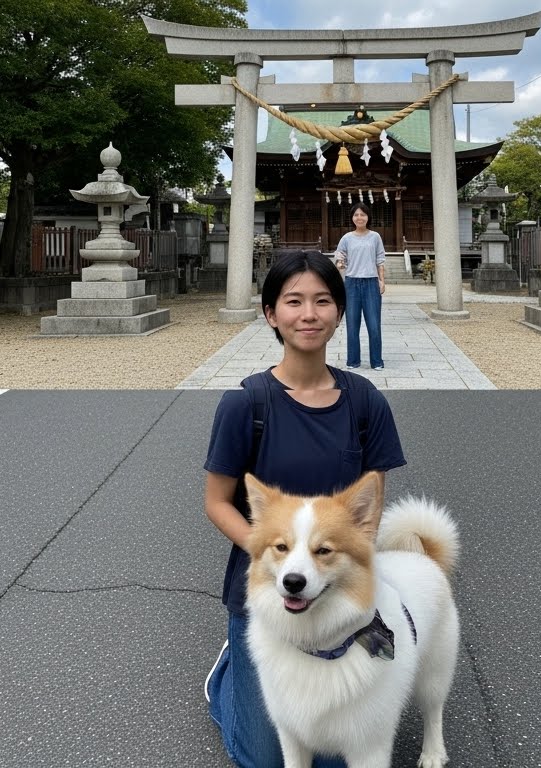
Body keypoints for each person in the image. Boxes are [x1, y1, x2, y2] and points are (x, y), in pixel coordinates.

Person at [202, 250, 406, 768]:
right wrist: (278, 555)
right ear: (270, 313)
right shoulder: (246, 405)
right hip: (271, 589)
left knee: (339, 756)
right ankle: (230, 675)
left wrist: (339, 567)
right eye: (293, 301)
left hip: (337, 587)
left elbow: (367, 511)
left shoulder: (365, 403)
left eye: (322, 301)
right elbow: (216, 501)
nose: (308, 314)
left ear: (339, 311)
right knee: (267, 758)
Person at [335, 201, 387, 370]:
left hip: (371, 282)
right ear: (352, 218)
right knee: (352, 325)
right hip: (351, 283)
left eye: (362, 214)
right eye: (356, 215)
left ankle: (377, 361)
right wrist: (340, 262)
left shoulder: (375, 237)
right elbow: (339, 255)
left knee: (374, 325)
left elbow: (380, 260)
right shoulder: (347, 238)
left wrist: (381, 281)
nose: (359, 217)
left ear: (367, 217)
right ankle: (353, 361)